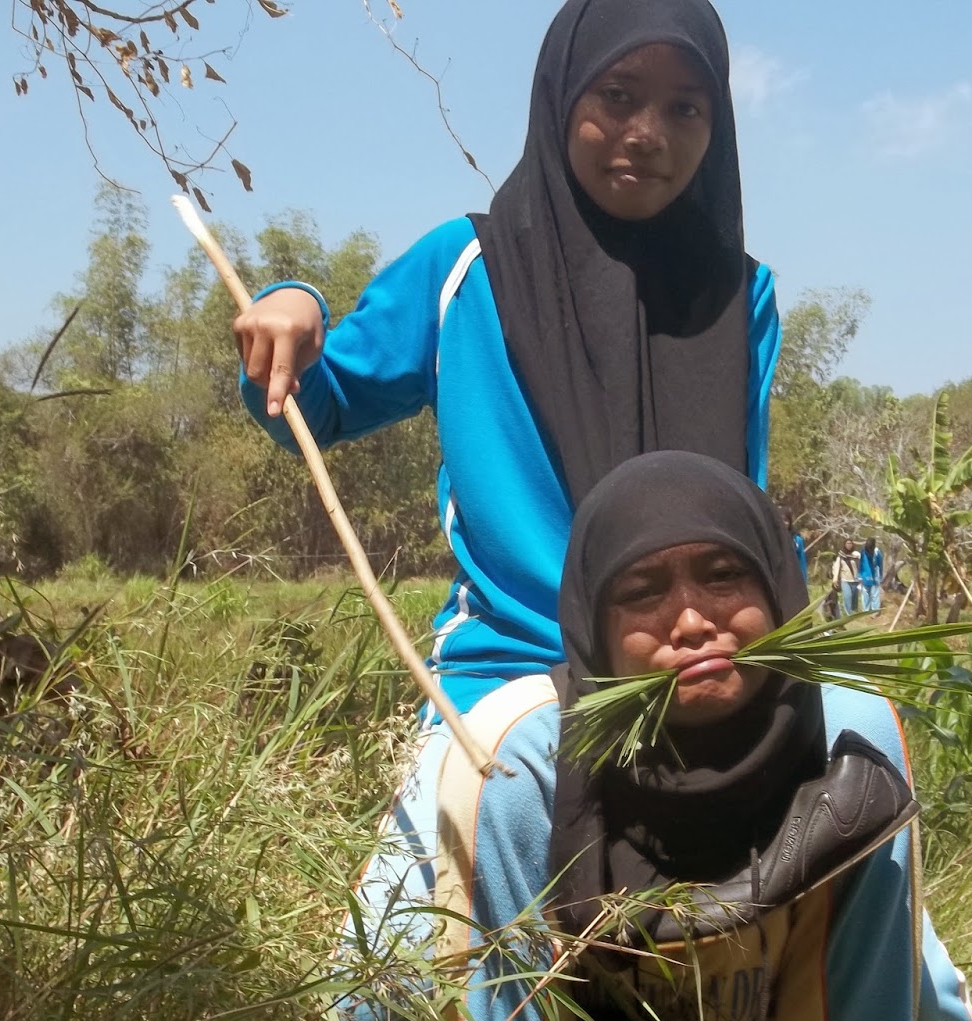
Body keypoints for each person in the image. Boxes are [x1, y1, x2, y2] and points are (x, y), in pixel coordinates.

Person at [414, 452, 972, 1021]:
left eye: (724, 575)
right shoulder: (521, 767)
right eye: (643, 590)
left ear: (774, 583)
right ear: (592, 619)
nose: (692, 621)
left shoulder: (850, 743)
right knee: (364, 1009)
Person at [233, 0, 778, 723]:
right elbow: (315, 406)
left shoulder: (740, 295)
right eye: (618, 96)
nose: (648, 135)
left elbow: (747, 501)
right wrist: (292, 311)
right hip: (517, 677)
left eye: (685, 108)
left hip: (704, 676)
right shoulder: (468, 268)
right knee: (459, 823)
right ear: (561, 95)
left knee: (867, 761)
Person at [831, 539, 861, 616]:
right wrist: (835, 579)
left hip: (855, 580)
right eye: (847, 543)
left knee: (854, 597)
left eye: (850, 543)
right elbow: (836, 568)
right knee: (848, 596)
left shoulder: (856, 555)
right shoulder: (841, 556)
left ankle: (854, 611)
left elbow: (861, 566)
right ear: (844, 544)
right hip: (845, 580)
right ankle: (848, 614)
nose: (849, 545)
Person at [859, 536, 884, 614]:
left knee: (875, 595)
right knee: (865, 595)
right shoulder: (863, 552)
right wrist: (859, 576)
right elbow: (860, 564)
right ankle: (865, 611)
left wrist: (880, 577)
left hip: (875, 578)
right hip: (865, 577)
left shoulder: (877, 552)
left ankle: (874, 612)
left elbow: (880, 565)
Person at [784, 509, 808, 584]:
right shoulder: (771, 539)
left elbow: (802, 563)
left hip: (792, 579)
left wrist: (803, 582)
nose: (783, 523)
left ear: (790, 522)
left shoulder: (797, 540)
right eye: (780, 519)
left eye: (785, 520)